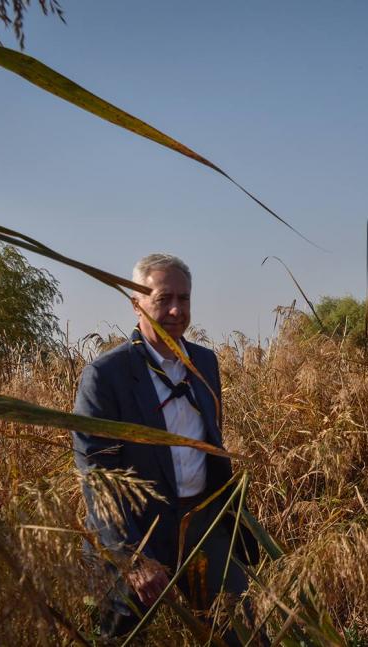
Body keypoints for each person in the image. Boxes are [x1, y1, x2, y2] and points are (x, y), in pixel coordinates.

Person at [72, 253, 257, 640]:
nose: (175, 310)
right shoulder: (106, 375)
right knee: (120, 636)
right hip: (139, 528)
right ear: (137, 303)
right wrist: (132, 558)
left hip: (203, 523)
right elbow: (97, 477)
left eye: (184, 298)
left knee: (242, 629)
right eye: (163, 298)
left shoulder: (204, 363)